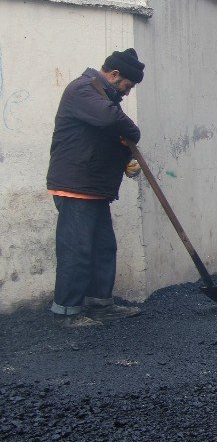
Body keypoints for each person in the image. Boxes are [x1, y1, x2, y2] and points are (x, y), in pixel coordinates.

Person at [46, 48, 146, 327]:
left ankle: (100, 304)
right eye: (127, 85)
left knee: (103, 248)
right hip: (75, 185)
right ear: (114, 74)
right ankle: (67, 312)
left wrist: (126, 154)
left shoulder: (105, 96)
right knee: (76, 250)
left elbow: (113, 132)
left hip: (94, 187)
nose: (127, 93)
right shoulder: (83, 89)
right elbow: (110, 120)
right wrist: (133, 131)